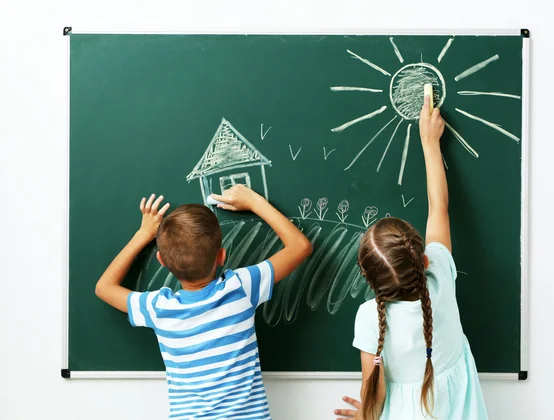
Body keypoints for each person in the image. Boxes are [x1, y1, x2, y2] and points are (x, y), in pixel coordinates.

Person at [95, 185, 312, 419]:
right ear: (221, 256)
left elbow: (104, 288)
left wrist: (143, 234)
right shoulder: (240, 288)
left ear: (161, 261)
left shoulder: (159, 309)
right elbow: (300, 246)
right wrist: (255, 202)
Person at [334, 94, 488, 420]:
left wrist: (366, 414)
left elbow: (373, 388)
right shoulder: (440, 280)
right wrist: (430, 142)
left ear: (369, 279)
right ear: (424, 261)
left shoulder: (369, 319)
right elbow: (438, 207)